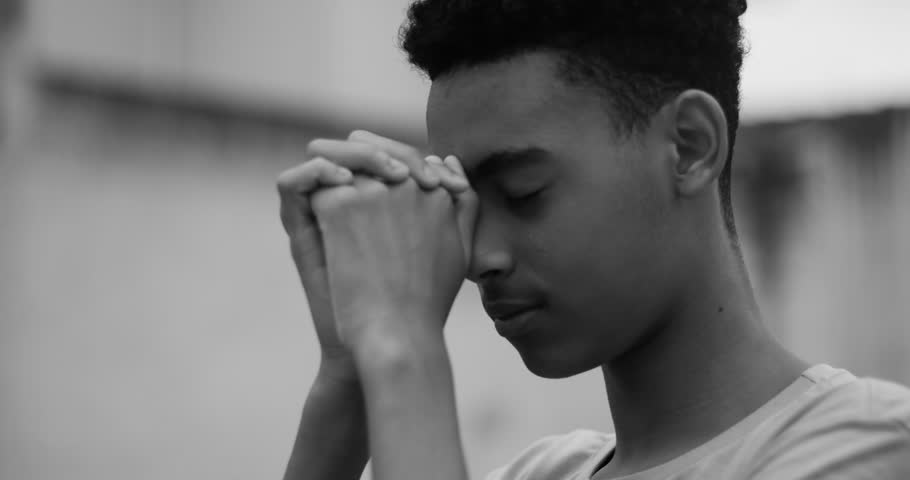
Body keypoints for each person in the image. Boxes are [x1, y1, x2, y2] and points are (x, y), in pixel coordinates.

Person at [276, 1, 910, 478]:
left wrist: (403, 349)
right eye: (461, 204)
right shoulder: (537, 473)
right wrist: (348, 374)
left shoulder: (868, 444)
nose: (477, 256)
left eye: (523, 191)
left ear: (689, 146)